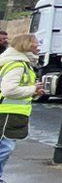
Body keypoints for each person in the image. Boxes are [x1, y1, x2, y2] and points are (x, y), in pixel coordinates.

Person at [0, 34, 43, 181]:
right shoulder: (17, 65)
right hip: (6, 113)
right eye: (35, 44)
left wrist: (34, 92)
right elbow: (8, 90)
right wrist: (32, 89)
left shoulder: (20, 63)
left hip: (10, 113)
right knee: (5, 147)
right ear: (26, 45)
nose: (38, 47)